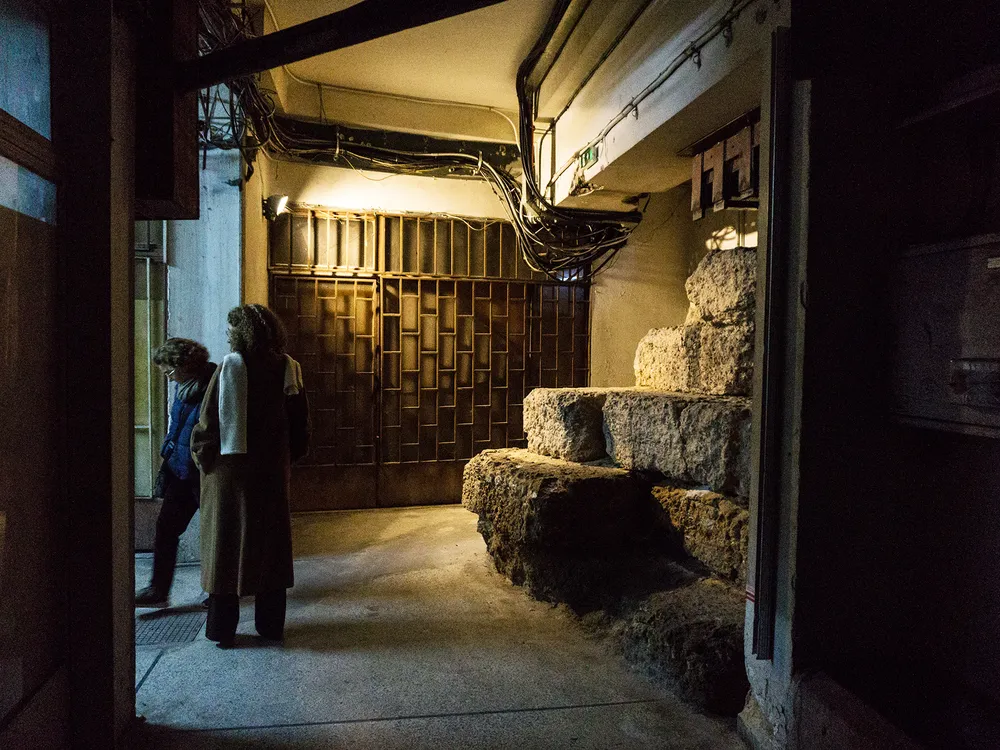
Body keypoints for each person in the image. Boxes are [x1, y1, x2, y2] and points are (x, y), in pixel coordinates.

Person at [191, 304, 309, 647]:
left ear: (240, 333)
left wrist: (203, 459)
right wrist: (282, 461)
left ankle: (223, 630)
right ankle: (270, 626)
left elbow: (207, 424)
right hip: (271, 474)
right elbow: (301, 428)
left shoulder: (230, 367)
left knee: (226, 549)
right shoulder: (289, 369)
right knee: (269, 550)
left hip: (229, 475)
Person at [135, 338, 216, 607]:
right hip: (181, 472)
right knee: (166, 528)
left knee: (215, 533)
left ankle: (219, 592)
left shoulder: (213, 386)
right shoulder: (184, 389)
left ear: (185, 365)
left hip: (204, 473)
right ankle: (158, 590)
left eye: (170, 372)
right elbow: (176, 429)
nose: (169, 379)